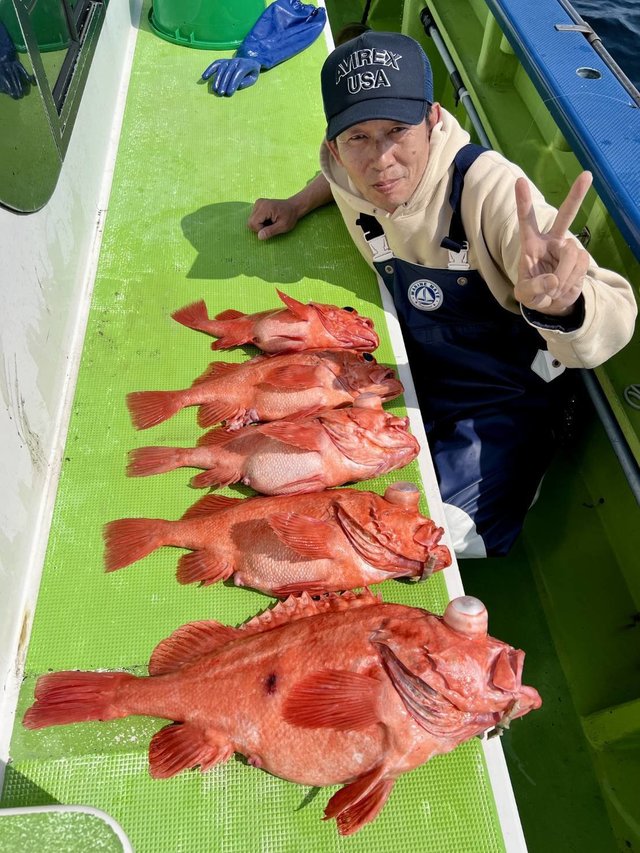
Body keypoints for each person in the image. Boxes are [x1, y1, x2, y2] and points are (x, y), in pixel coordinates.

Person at [247, 31, 637, 558]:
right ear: (335, 142)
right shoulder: (347, 169)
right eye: (357, 137)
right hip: (417, 368)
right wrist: (297, 202)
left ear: (432, 119)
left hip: (504, 397)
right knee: (306, 484)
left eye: (396, 131)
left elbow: (615, 312)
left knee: (416, 542)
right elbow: (337, 178)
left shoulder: (490, 187)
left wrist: (562, 303)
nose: (380, 160)